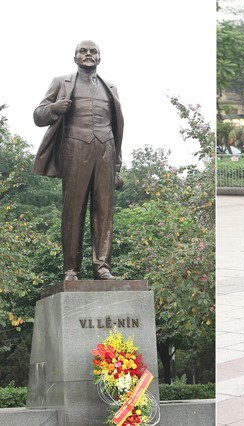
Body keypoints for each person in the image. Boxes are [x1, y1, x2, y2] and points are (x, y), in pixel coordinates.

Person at [33, 40, 124, 281]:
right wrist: (55, 107)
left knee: (105, 212)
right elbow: (38, 116)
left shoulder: (111, 88)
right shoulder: (61, 83)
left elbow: (118, 129)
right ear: (75, 58)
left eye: (93, 52)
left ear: (99, 58)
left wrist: (117, 167)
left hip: (106, 150)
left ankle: (102, 267)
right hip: (75, 150)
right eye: (83, 51)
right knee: (73, 211)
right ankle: (71, 270)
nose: (88, 54)